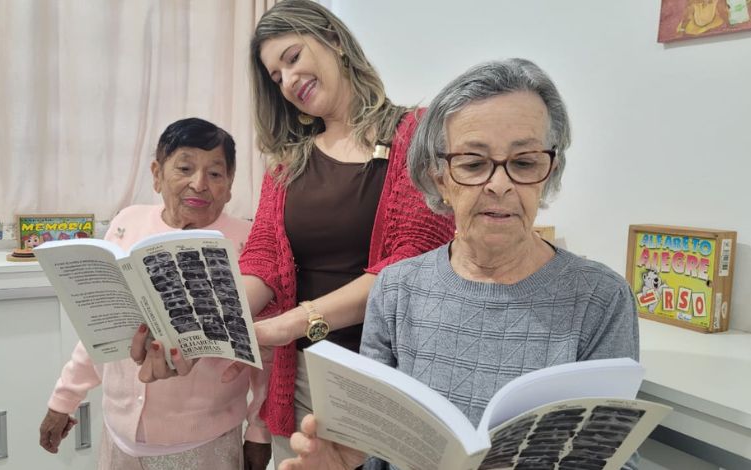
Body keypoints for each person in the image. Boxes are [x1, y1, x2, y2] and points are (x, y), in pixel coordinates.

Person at [131, 0, 456, 466]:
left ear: (335, 39)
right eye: (275, 77)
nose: (287, 81)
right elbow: (262, 262)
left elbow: (411, 264)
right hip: (305, 380)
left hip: (395, 377)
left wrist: (291, 324)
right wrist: (198, 328)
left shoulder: (417, 132)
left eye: (292, 58)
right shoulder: (287, 163)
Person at [278, 58, 640, 470]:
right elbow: (375, 453)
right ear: (439, 178)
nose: (500, 185)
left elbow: (614, 457)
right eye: (472, 163)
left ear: (548, 171)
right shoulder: (397, 289)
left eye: (524, 162)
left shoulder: (601, 299)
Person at [38, 118, 272, 470]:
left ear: (230, 184)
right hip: (119, 436)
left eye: (215, 173)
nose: (199, 183)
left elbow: (263, 354)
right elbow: (98, 328)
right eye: (184, 167)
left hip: (207, 442)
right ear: (157, 174)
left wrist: (259, 430)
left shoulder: (249, 241)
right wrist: (63, 399)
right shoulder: (126, 223)